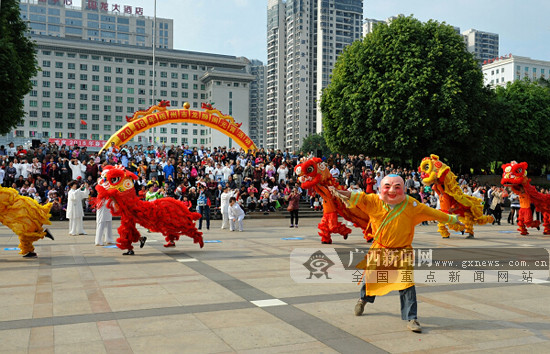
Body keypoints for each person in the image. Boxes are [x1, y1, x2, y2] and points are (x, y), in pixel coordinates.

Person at [330, 174, 462, 333]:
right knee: (371, 277)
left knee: (407, 284)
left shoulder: (412, 205)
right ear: (380, 188)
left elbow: (434, 213)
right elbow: (357, 196)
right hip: (380, 249)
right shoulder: (373, 201)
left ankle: (411, 318)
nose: (392, 191)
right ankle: (363, 299)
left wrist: (453, 219)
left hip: (402, 252)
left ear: (404, 189)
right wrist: (338, 192)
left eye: (397, 187)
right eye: (387, 187)